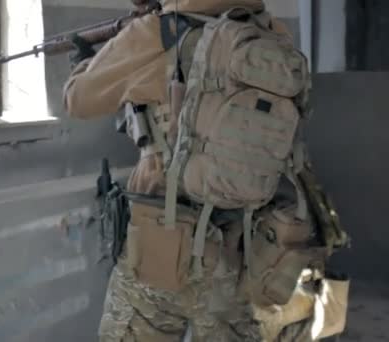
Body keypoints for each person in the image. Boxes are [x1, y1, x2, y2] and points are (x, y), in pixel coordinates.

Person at [63, 0, 349, 341]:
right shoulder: (269, 32)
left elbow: (77, 100)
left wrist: (83, 64)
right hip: (240, 248)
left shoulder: (155, 33)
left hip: (161, 239)